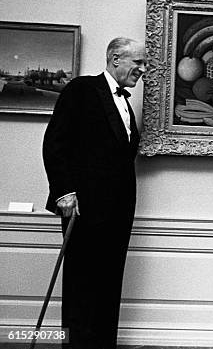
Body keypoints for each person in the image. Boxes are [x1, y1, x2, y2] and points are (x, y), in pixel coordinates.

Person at [42, 37, 147, 349]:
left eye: (144, 63)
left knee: (108, 284)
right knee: (81, 286)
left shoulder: (124, 101)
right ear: (115, 59)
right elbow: (55, 143)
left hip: (117, 212)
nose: (143, 69)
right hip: (83, 209)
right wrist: (63, 192)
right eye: (137, 62)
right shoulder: (81, 89)